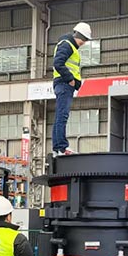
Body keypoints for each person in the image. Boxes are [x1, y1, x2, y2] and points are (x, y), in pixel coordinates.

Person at [52, 22, 92, 156]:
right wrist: (70, 79)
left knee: (60, 115)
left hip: (63, 84)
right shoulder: (67, 45)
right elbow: (58, 63)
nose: (84, 43)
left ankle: (58, 147)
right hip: (64, 84)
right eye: (84, 39)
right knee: (62, 116)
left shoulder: (69, 46)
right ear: (79, 36)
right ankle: (62, 148)